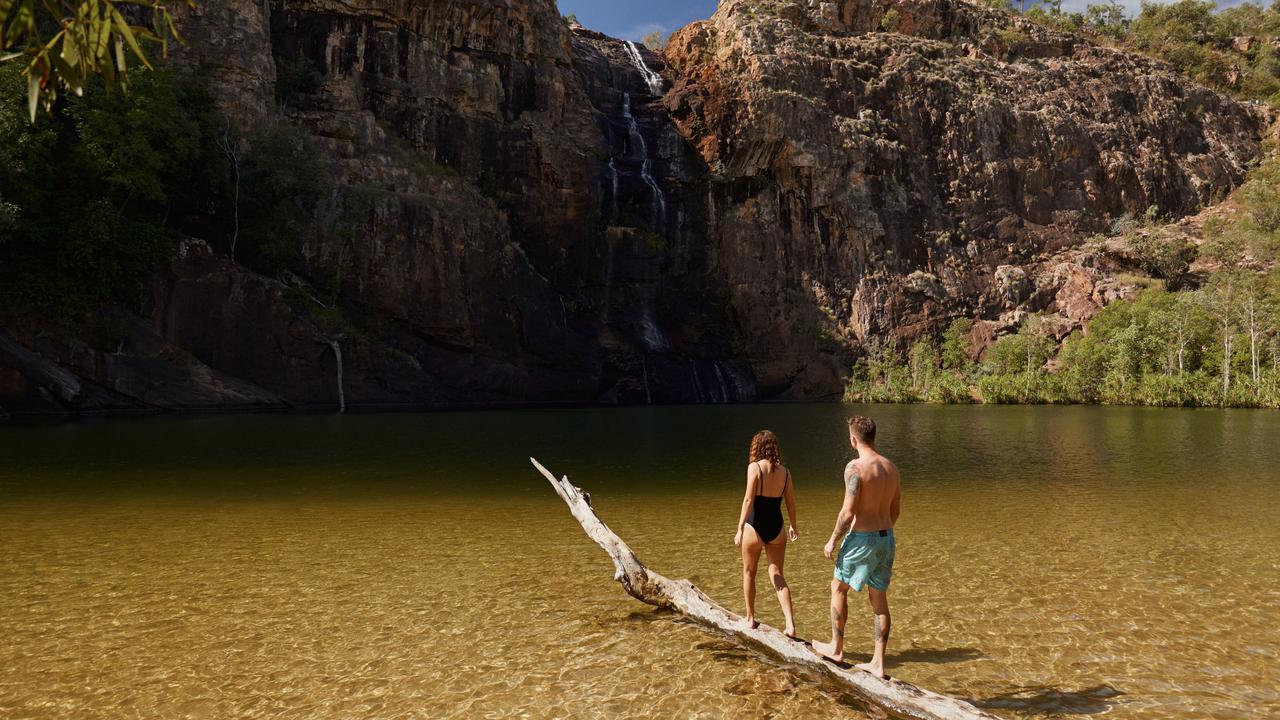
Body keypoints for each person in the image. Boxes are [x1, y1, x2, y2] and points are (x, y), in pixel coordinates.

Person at [812, 416, 901, 678]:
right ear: (874, 436)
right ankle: (878, 664)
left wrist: (832, 540)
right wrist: (881, 530)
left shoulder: (855, 468)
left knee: (838, 587)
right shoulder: (892, 468)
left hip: (862, 538)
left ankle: (837, 647)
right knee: (879, 600)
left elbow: (848, 512)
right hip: (887, 539)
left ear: (853, 439)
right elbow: (896, 510)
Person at [733, 430, 800, 636]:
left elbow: (748, 500)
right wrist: (793, 526)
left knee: (749, 573)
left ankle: (750, 619)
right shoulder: (785, 473)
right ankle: (790, 624)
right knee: (777, 574)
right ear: (775, 448)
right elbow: (790, 502)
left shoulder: (754, 468)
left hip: (754, 527)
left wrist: (740, 527)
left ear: (756, 448)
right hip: (777, 527)